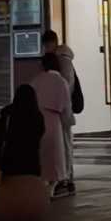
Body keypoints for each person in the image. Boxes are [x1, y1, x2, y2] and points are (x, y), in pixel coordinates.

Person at [0, 81, 46, 221]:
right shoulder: (37, 116)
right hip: (31, 164)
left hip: (7, 162)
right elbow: (39, 136)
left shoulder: (8, 114)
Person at [28, 51, 75, 197]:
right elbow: (66, 107)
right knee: (55, 158)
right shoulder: (61, 81)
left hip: (37, 121)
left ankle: (42, 187)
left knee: (42, 156)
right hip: (54, 122)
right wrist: (68, 122)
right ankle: (52, 188)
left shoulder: (36, 81)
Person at [42, 30, 79, 196]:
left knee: (64, 146)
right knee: (61, 146)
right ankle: (64, 179)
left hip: (61, 111)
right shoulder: (60, 59)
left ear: (52, 43)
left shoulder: (62, 60)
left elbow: (66, 86)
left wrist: (62, 109)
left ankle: (66, 180)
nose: (45, 48)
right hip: (60, 111)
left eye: (46, 45)